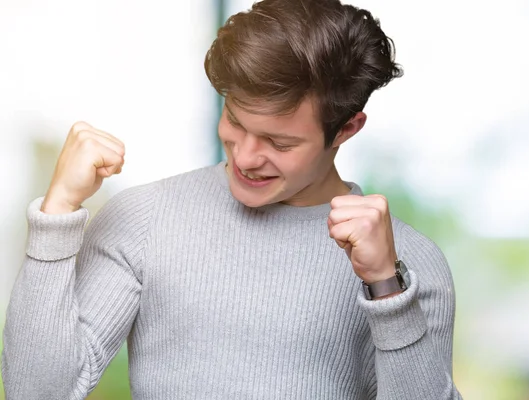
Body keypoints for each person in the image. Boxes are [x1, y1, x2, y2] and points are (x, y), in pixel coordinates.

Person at [1, 0, 462, 398]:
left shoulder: (411, 264)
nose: (246, 156)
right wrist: (56, 213)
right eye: (235, 121)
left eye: (279, 143)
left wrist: (385, 287)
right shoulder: (144, 220)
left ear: (347, 128)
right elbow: (35, 392)